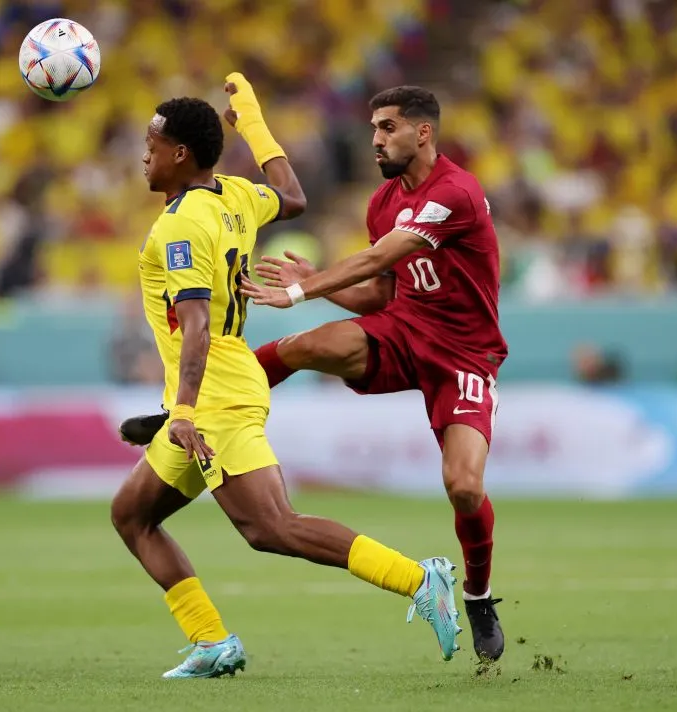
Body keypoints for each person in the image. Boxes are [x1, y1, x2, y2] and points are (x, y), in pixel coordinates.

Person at [121, 86, 507, 662]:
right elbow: (371, 282)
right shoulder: (248, 195)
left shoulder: (456, 190)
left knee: (457, 488)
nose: (375, 139)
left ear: (423, 132)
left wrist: (302, 288)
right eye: (373, 127)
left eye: (388, 128)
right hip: (400, 329)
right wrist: (253, 122)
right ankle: (210, 641)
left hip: (461, 353)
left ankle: (456, 588)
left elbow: (376, 260)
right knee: (132, 514)